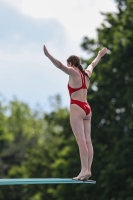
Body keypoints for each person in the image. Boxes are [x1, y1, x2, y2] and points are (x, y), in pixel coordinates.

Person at [43, 45, 107, 181]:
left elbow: (60, 65)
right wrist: (100, 55)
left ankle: (84, 170)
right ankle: (88, 169)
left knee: (81, 140)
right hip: (87, 108)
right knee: (88, 140)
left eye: (69, 65)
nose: (68, 67)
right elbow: (93, 64)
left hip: (77, 107)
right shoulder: (87, 74)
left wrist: (48, 55)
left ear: (71, 64)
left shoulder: (73, 72)